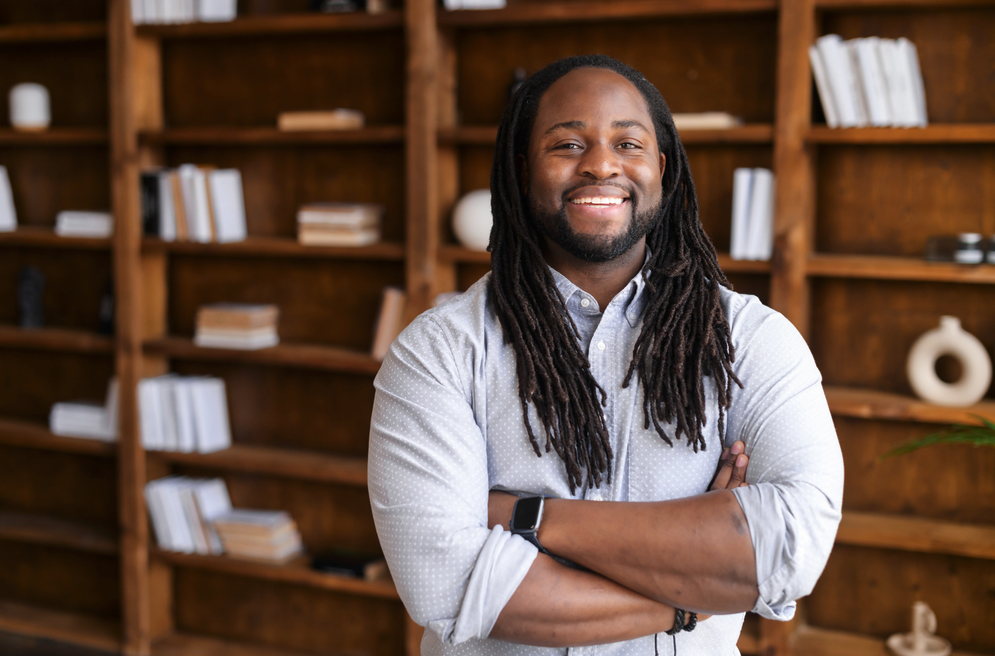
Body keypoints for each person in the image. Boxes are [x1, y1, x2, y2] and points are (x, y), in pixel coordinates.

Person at [368, 54, 843, 656]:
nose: (600, 164)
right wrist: (693, 593)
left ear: (661, 170)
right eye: (567, 143)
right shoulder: (438, 351)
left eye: (628, 142)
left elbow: (791, 550)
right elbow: (446, 586)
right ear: (522, 171)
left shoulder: (751, 339)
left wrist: (524, 518)